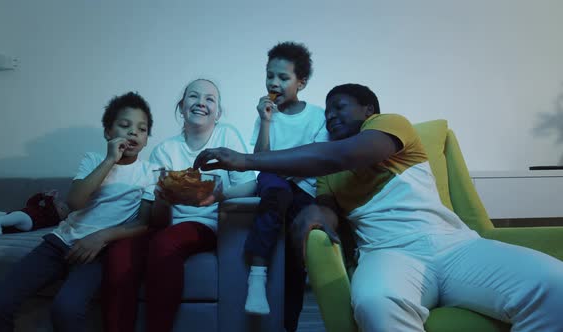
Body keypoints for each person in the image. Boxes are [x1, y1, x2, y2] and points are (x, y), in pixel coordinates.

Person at [193, 83, 563, 331]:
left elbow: (341, 155)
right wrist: (313, 219)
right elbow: (327, 206)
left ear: (368, 108)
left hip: (453, 246)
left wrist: (245, 160)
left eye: (339, 107)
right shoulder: (329, 174)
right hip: (388, 254)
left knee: (553, 283)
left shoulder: (390, 126)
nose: (331, 116)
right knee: (375, 303)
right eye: (327, 114)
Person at [0, 91, 157, 332]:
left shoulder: (150, 173)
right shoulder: (94, 159)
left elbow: (145, 223)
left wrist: (101, 237)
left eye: (142, 129)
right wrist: (109, 161)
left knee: (66, 309)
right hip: (60, 242)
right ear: (107, 132)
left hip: (98, 252)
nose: (133, 132)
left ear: (146, 139)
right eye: (124, 125)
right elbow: (75, 202)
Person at [101, 79, 257, 332]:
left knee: (166, 242)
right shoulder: (165, 150)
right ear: (182, 106)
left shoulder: (227, 136)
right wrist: (163, 197)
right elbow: (158, 218)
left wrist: (219, 195)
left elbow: (250, 185)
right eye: (194, 97)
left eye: (210, 99)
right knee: (120, 251)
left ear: (217, 112)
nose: (201, 103)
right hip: (168, 224)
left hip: (208, 223)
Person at [244, 41, 328, 331]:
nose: (274, 83)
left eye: (283, 77)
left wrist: (280, 165)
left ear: (301, 82)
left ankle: (288, 324)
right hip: (273, 182)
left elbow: (315, 160)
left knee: (297, 246)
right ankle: (257, 275)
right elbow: (258, 160)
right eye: (270, 76)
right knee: (277, 189)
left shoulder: (316, 115)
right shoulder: (268, 115)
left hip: (303, 188)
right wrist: (265, 121)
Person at [0, 190, 70, 235]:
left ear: (62, 217)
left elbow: (51, 209)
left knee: (20, 215)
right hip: (13, 218)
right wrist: (41, 195)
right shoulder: (40, 208)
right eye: (60, 205)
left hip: (29, 223)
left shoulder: (53, 218)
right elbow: (30, 203)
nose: (59, 205)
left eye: (62, 209)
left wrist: (49, 198)